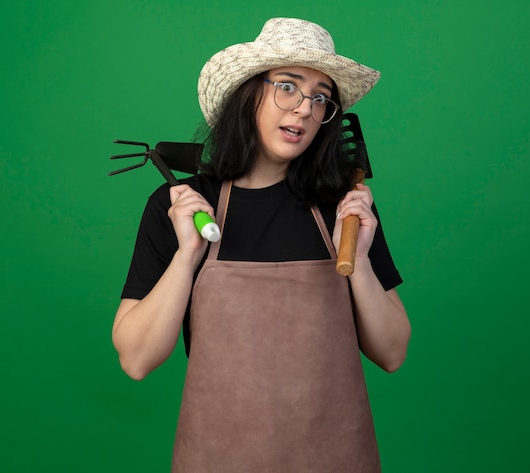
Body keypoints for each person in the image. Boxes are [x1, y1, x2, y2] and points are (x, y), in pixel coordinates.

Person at [112, 17, 411, 472]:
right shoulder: (182, 207)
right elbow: (136, 359)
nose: (305, 109)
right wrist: (187, 253)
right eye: (288, 87)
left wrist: (362, 260)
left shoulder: (345, 212)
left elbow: (391, 353)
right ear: (248, 93)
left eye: (320, 98)